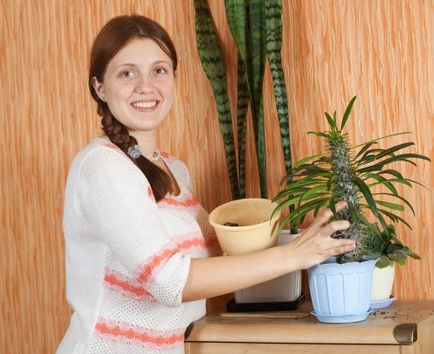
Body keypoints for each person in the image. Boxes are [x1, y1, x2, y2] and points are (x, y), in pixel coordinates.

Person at [57, 14, 355, 354]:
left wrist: (311, 239)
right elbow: (171, 282)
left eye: (159, 70)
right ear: (99, 86)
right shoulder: (104, 168)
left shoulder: (173, 170)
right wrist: (293, 256)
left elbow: (216, 256)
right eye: (127, 73)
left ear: (173, 78)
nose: (146, 86)